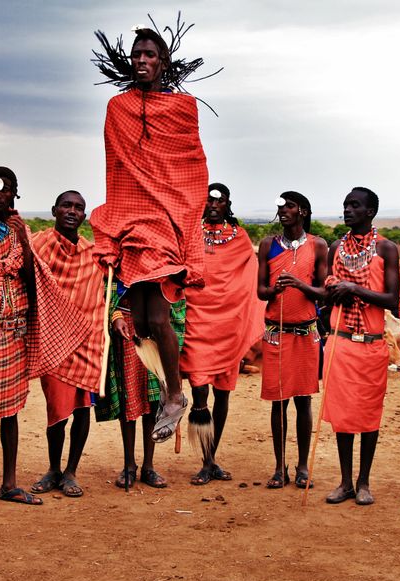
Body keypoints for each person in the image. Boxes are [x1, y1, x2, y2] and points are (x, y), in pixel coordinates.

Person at [90, 25, 210, 445]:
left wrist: (181, 217)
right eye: (136, 55)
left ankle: (175, 395)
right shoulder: (117, 106)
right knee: (139, 319)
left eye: (149, 55)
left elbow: (191, 166)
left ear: (163, 61)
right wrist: (117, 221)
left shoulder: (183, 107)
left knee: (159, 317)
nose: (141, 61)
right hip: (129, 215)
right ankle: (165, 393)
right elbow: (114, 167)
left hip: (166, 218)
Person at [0, 167, 88, 511]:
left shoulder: (19, 230)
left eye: (5, 189)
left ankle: (9, 483)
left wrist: (23, 246)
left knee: (11, 411)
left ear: (14, 194)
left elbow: (31, 275)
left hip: (14, 330)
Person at [180, 183, 264, 485]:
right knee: (200, 392)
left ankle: (210, 460)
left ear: (228, 204)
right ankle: (205, 458)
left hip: (228, 325)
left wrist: (242, 312)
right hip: (197, 322)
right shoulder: (190, 233)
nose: (214, 203)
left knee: (223, 393)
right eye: (209, 199)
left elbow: (249, 276)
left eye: (220, 199)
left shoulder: (239, 238)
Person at [322, 187, 399, 506]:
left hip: (370, 345)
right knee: (342, 415)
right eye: (345, 205)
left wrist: (354, 287)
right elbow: (327, 291)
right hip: (340, 344)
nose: (347, 210)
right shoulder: (336, 248)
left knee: (368, 415)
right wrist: (332, 289)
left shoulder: (386, 249)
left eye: (354, 206)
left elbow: (393, 300)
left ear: (370, 212)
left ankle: (364, 481)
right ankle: (345, 482)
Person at [28, 191, 105, 498]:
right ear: (54, 210)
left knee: (82, 410)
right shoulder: (37, 246)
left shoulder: (92, 253)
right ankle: (53, 469)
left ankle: (71, 471)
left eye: (78, 208)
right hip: (53, 341)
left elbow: (103, 291)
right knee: (57, 411)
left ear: (84, 216)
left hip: (87, 340)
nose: (72, 211)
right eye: (66, 206)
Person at [257, 191, 328, 489]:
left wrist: (299, 284)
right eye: (280, 207)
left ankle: (301, 466)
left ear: (303, 211)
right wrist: (275, 290)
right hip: (276, 333)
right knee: (278, 402)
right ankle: (278, 467)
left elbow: (324, 291)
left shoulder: (318, 245)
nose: (284, 211)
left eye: (290, 206)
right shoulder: (267, 245)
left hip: (305, 333)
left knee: (303, 401)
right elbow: (260, 291)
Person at [94, 282, 186, 489]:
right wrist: (115, 316)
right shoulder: (121, 252)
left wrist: (164, 326)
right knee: (129, 395)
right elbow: (106, 284)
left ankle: (148, 466)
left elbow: (176, 290)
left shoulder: (161, 256)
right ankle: (129, 465)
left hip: (158, 329)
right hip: (126, 323)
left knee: (153, 398)